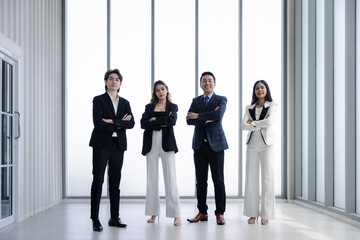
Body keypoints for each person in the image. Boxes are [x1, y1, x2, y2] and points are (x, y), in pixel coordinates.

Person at [89, 69, 135, 231]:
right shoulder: (98, 100)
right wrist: (119, 123)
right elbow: (98, 123)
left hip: (118, 145)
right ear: (106, 82)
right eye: (110, 79)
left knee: (115, 182)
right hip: (101, 144)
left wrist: (111, 121)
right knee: (98, 181)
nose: (114, 81)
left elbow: (131, 124)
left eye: (117, 79)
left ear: (120, 83)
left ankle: (114, 217)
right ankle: (95, 218)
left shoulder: (125, 103)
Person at [186, 71, 228, 225]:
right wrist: (207, 117)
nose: (207, 83)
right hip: (199, 145)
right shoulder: (196, 100)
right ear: (200, 84)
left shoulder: (221, 99)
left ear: (214, 84)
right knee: (201, 181)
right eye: (204, 81)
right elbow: (188, 121)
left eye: (210, 81)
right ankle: (202, 212)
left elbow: (218, 116)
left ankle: (220, 213)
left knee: (218, 180)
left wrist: (198, 116)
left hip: (216, 145)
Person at [141, 80, 181, 226]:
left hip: (167, 144)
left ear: (166, 90)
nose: (160, 92)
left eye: (162, 89)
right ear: (155, 93)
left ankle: (176, 214)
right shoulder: (149, 106)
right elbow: (143, 123)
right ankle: (153, 212)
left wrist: (154, 119)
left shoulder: (173, 106)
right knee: (151, 178)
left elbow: (172, 121)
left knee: (170, 178)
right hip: (151, 143)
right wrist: (161, 121)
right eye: (157, 90)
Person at [241, 80, 277, 225]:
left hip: (266, 145)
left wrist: (252, 124)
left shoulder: (272, 105)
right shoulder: (249, 107)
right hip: (251, 145)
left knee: (268, 178)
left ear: (266, 90)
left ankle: (266, 215)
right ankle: (252, 214)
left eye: (262, 87)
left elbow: (269, 123)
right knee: (251, 179)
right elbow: (243, 126)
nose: (260, 90)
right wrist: (259, 124)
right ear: (254, 91)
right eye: (257, 88)